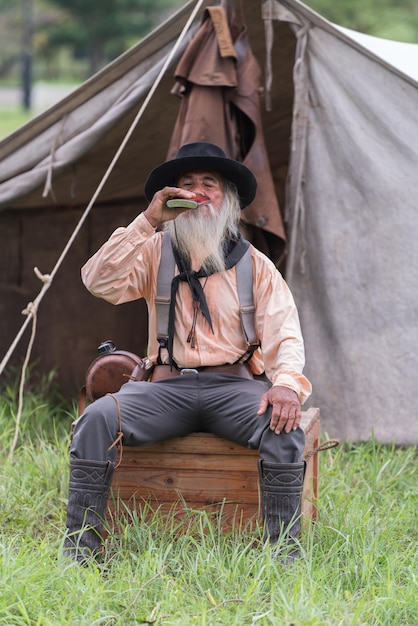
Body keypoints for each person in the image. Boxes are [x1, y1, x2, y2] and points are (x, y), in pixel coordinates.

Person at [64, 142, 312, 563]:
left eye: (209, 185)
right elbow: (97, 281)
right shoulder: (154, 249)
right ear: (172, 197)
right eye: (187, 185)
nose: (198, 193)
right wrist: (148, 221)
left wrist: (286, 385)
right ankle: (80, 554)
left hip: (235, 389)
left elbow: (285, 334)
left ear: (228, 199)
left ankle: (283, 555)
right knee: (96, 418)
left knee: (284, 429)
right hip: (165, 388)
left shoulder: (256, 265)